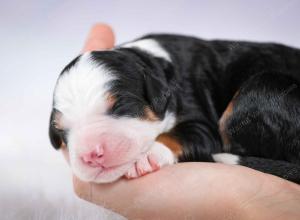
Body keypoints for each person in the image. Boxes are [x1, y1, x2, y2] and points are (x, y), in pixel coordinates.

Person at [63, 23, 300, 220]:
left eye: (118, 108)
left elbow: (202, 135)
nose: (89, 150)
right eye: (65, 129)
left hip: (288, 98)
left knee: (259, 96)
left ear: (157, 92)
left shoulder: (173, 79)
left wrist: (166, 147)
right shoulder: (149, 73)